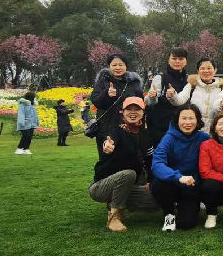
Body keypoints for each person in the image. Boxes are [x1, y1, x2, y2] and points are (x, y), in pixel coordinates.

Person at [87, 97, 159, 231]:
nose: (133, 112)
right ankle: (114, 217)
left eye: (137, 109)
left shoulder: (145, 134)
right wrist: (108, 145)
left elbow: (150, 161)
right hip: (101, 186)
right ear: (123, 112)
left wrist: (150, 181)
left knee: (155, 201)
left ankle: (118, 203)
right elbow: (110, 140)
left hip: (128, 185)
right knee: (128, 174)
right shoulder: (117, 130)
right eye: (129, 109)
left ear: (143, 112)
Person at [150, 104, 210, 231]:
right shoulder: (169, 138)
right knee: (158, 184)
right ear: (177, 120)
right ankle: (169, 213)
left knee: (186, 224)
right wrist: (178, 177)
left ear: (197, 120)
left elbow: (219, 147)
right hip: (172, 182)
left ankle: (187, 206)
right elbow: (157, 163)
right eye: (184, 118)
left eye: (191, 118)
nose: (187, 122)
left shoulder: (203, 138)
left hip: (191, 185)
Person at [89, 53, 144, 153]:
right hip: (107, 128)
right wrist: (107, 94)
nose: (118, 68)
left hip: (129, 127)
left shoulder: (134, 83)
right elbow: (96, 101)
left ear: (126, 66)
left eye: (121, 65)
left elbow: (141, 104)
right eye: (114, 65)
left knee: (131, 156)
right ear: (109, 66)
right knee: (108, 155)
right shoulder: (103, 81)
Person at [145, 47, 190, 149]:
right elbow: (149, 101)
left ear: (186, 61)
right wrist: (152, 96)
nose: (177, 61)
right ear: (168, 60)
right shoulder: (160, 77)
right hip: (159, 127)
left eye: (181, 59)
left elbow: (185, 100)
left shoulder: (189, 79)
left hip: (182, 126)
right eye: (174, 58)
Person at [169, 57, 223, 129]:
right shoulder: (192, 85)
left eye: (209, 68)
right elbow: (179, 100)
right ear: (198, 71)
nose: (206, 71)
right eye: (202, 68)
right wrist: (173, 96)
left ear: (215, 70)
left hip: (216, 130)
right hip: (195, 129)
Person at [14, 91, 39, 155]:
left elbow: (35, 114)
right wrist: (21, 122)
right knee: (25, 136)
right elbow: (21, 113)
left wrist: (36, 121)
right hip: (25, 123)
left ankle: (26, 149)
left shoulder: (33, 105)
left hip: (32, 123)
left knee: (29, 137)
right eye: (34, 97)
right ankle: (19, 148)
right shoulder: (23, 104)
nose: (35, 98)